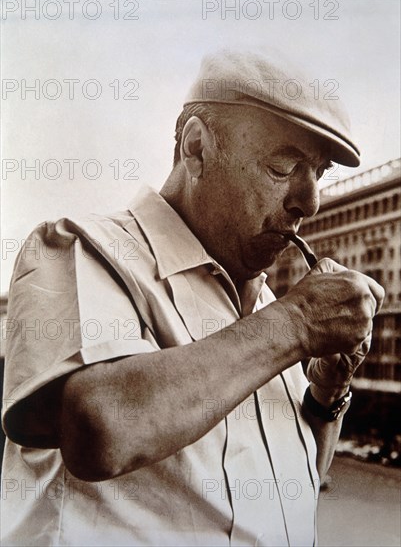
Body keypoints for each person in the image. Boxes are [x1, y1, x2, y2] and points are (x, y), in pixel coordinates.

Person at [1, 50, 384, 546]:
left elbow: (301, 482)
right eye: (284, 165)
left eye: (319, 172)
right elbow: (98, 429)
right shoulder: (81, 249)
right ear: (197, 147)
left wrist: (327, 397)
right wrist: (296, 324)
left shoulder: (270, 314)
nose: (308, 203)